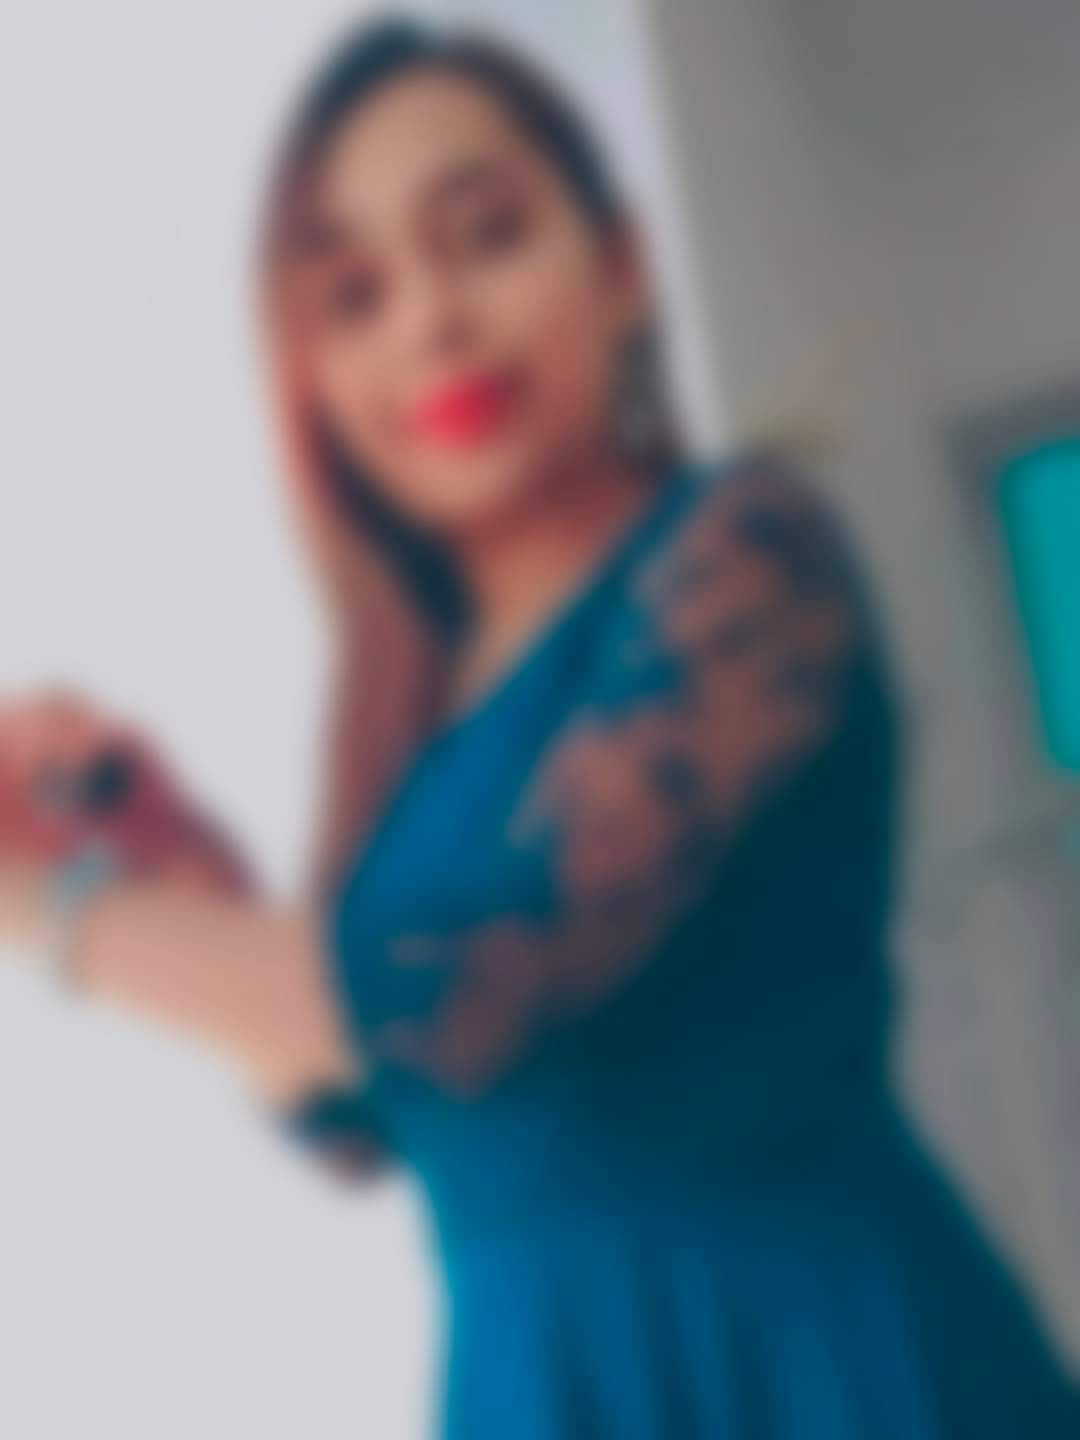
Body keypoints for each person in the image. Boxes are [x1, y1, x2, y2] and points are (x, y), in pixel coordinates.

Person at [1, 16, 1077, 1439]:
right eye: (355, 294)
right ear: (309, 377)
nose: (431, 320)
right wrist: (182, 870)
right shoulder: (424, 721)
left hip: (806, 1365)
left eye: (487, 234)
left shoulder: (744, 554)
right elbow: (383, 1118)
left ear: (619, 265)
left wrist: (51, 909)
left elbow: (450, 1001)